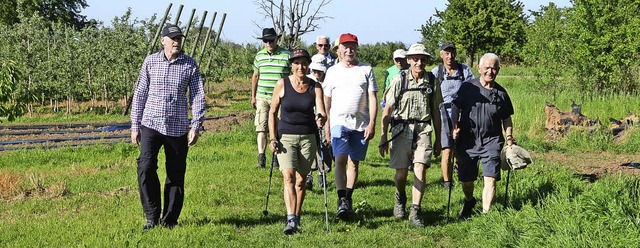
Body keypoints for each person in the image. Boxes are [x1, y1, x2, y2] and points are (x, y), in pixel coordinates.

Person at [130, 24, 206, 230]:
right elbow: (140, 94)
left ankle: (170, 219)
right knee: (145, 167)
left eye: (179, 38)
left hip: (178, 126)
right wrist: (135, 125)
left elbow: (198, 95)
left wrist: (196, 125)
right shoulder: (150, 62)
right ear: (163, 40)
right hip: (151, 123)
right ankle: (151, 216)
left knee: (175, 173)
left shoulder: (189, 64)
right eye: (172, 38)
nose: (176, 42)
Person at [378, 43, 442, 227]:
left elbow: (436, 112)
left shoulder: (432, 81)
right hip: (401, 130)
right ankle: (400, 198)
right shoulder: (399, 80)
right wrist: (383, 136)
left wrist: (439, 140)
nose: (419, 62)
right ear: (409, 60)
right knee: (401, 174)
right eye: (415, 59)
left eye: (422, 59)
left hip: (423, 130)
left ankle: (415, 211)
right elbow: (388, 109)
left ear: (427, 61)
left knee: (420, 169)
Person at [268, 49, 327, 234]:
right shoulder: (282, 84)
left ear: (308, 65)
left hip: (308, 137)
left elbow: (322, 111)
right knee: (289, 177)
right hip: (286, 137)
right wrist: (272, 137)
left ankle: (297, 215)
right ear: (291, 66)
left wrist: (321, 117)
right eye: (296, 63)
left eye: (303, 63)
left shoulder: (315, 86)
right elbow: (272, 112)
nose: (300, 66)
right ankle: (290, 219)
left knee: (301, 180)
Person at [452, 53, 514, 219]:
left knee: (490, 178)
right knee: (467, 181)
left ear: (498, 70)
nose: (490, 71)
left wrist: (509, 139)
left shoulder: (501, 93)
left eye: (494, 68)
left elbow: (507, 119)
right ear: (479, 68)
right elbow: (456, 107)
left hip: (492, 141)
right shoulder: (467, 88)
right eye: (486, 67)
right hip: (468, 141)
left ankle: (485, 217)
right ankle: (469, 200)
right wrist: (454, 126)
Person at [323, 33, 378, 220]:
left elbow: (372, 97)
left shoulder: (366, 70)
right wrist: (327, 124)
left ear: (357, 48)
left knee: (354, 162)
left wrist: (372, 123)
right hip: (339, 122)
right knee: (340, 159)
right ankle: (341, 199)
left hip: (360, 124)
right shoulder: (332, 72)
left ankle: (348, 197)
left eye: (352, 46)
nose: (349, 50)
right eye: (345, 46)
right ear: (338, 49)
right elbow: (326, 100)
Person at [431, 42, 475, 190]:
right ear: (441, 54)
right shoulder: (436, 72)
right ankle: (447, 182)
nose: (449, 56)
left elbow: (473, 88)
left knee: (460, 148)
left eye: (452, 53)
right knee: (447, 148)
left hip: (462, 114)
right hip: (443, 113)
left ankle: (458, 171)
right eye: (446, 53)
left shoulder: (464, 71)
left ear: (455, 54)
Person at [251, 28, 291, 168]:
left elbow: (292, 76)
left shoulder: (286, 55)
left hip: (280, 98)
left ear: (276, 40)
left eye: (271, 40)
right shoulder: (259, 56)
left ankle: (277, 156)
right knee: (261, 127)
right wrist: (253, 96)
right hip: (262, 96)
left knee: (279, 127)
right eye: (266, 41)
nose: (269, 43)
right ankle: (261, 157)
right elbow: (255, 76)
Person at [305, 54, 332, 191]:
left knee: (324, 146)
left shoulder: (330, 81)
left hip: (327, 119)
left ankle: (322, 174)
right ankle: (308, 175)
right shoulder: (307, 81)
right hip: (310, 118)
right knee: (309, 147)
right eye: (314, 70)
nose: (316, 73)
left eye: (319, 70)